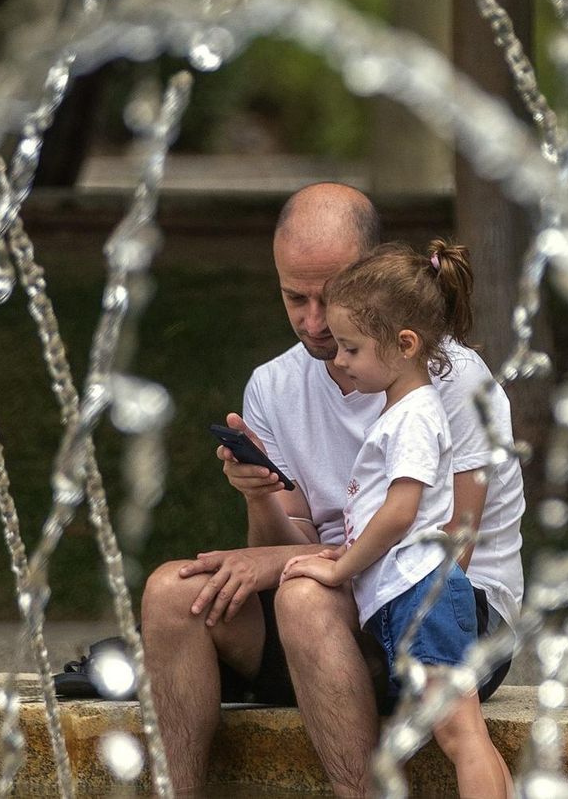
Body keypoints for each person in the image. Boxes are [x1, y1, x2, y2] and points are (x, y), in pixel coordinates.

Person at [137, 182, 524, 796]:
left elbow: (454, 546)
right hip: (336, 613)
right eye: (294, 297)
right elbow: (279, 545)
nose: (314, 323)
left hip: (447, 610)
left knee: (301, 599)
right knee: (168, 593)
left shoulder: (449, 380)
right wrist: (260, 494)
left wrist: (296, 565)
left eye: (332, 296)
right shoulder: (271, 387)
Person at [280, 238, 512, 796]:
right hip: (416, 595)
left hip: (421, 596)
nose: (338, 360)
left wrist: (339, 570)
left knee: (461, 736)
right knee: (465, 731)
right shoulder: (403, 409)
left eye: (351, 349)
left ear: (405, 345)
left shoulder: (412, 416)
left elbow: (400, 513)